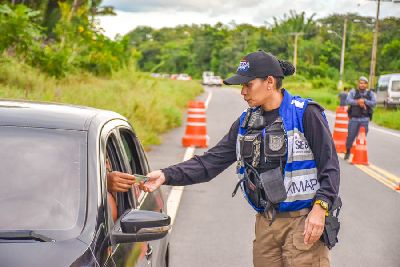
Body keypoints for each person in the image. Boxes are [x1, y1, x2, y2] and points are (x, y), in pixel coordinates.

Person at [142, 50, 340, 266]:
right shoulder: (246, 122)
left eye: (248, 85)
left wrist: (320, 209)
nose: (243, 92)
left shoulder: (305, 114)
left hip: (304, 222)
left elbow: (330, 166)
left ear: (270, 82)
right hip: (267, 224)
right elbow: (210, 163)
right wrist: (165, 175)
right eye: (241, 86)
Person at [344, 76, 376, 160]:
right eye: (361, 83)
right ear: (358, 84)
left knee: (362, 138)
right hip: (354, 119)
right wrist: (358, 102)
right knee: (351, 136)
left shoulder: (370, 94)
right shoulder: (353, 92)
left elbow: (374, 103)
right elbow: (348, 100)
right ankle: (348, 151)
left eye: (364, 83)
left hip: (365, 119)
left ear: (367, 85)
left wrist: (364, 101)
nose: (362, 85)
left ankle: (358, 154)